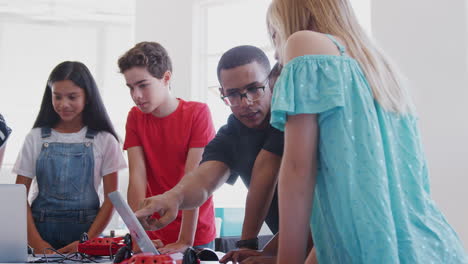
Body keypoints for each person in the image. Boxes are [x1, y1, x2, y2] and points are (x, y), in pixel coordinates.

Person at [266, 0, 468, 263]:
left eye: (274, 35)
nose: (275, 53)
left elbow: (297, 170)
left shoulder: (304, 43)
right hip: (436, 247)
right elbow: (361, 200)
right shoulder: (380, 70)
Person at [134, 46, 285, 263]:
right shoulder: (231, 134)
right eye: (233, 94)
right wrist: (173, 197)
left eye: (254, 89)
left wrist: (272, 253)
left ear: (271, 82)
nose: (246, 102)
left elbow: (323, 213)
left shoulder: (294, 123)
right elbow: (203, 180)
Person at [13, 61, 126, 254]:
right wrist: (38, 244)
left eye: (72, 97)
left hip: (86, 238)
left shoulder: (105, 140)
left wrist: (85, 243)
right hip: (38, 238)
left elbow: (111, 200)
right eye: (57, 97)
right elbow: (18, 197)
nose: (63, 104)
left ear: (88, 97)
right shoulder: (35, 138)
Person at [118, 42, 216, 253]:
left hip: (194, 233)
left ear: (166, 78)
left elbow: (194, 178)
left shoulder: (197, 113)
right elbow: (137, 178)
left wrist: (185, 241)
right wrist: (138, 236)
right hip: (155, 234)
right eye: (130, 87)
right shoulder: (135, 118)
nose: (136, 95)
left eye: (143, 85)